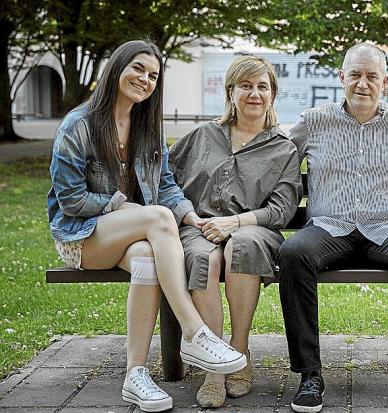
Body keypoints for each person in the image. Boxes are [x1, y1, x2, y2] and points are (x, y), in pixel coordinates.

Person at [47, 40, 247, 413]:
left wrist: (190, 216)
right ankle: (194, 331)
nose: (145, 79)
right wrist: (126, 207)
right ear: (117, 68)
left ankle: (135, 375)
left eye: (153, 75)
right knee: (156, 217)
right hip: (83, 237)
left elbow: (167, 185)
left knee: (147, 259)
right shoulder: (79, 125)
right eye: (138, 68)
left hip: (131, 238)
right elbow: (70, 200)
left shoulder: (147, 128)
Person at [278, 43, 388, 413]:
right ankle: (310, 375)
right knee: (292, 252)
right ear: (342, 77)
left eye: (372, 76)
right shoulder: (314, 120)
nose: (363, 83)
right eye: (355, 74)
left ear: (385, 81)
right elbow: (276, 159)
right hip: (328, 229)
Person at [169, 54, 302, 408]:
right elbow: (163, 179)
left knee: (241, 246)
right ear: (231, 92)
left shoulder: (283, 148)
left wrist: (236, 222)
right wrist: (189, 218)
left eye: (262, 86)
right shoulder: (201, 136)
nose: (254, 93)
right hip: (200, 226)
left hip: (256, 229)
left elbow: (282, 209)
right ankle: (215, 368)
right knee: (199, 256)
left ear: (273, 94)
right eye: (245, 86)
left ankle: (239, 351)